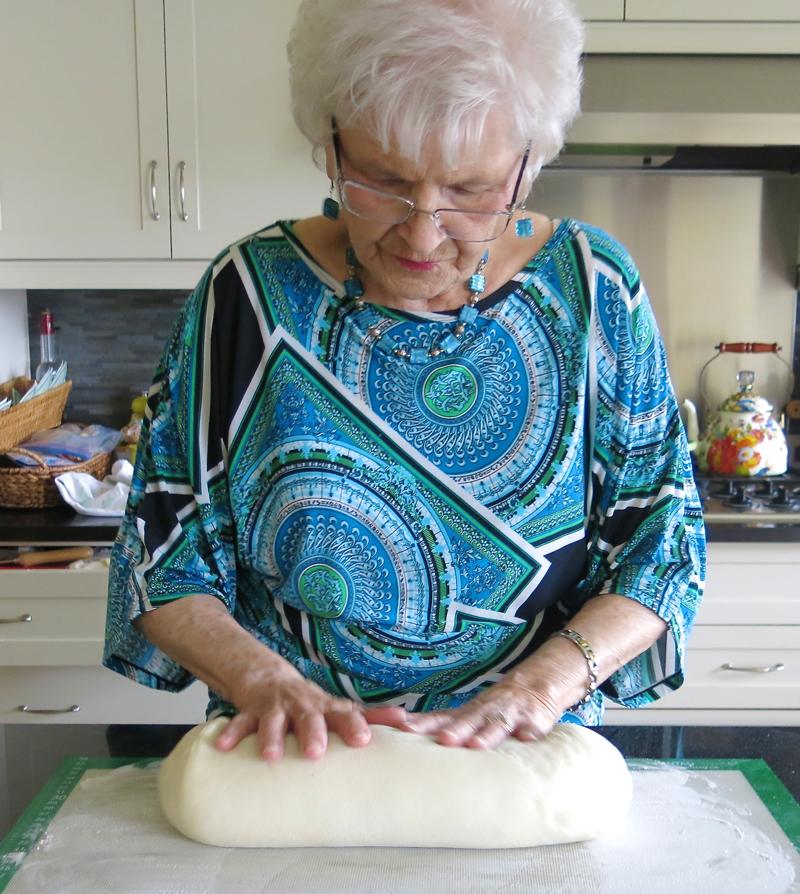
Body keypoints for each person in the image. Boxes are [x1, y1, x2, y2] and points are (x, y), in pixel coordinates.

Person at [104, 0, 705, 762]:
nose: (423, 233)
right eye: (383, 182)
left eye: (470, 190)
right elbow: (161, 551)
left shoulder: (594, 290)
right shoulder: (247, 294)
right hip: (291, 749)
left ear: (529, 164)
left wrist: (543, 685)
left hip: (523, 749)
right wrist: (261, 680)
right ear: (329, 144)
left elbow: (661, 541)